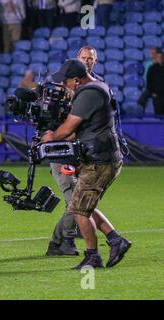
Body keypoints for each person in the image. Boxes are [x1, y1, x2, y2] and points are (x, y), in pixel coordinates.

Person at [42, 59, 132, 269]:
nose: (64, 85)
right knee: (83, 205)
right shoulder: (98, 87)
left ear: (76, 79)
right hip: (102, 158)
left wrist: (50, 137)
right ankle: (116, 240)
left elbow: (68, 128)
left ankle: (93, 256)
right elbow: (79, 129)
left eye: (66, 81)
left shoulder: (89, 93)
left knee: (80, 210)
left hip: (100, 161)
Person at [146, 51, 164, 116]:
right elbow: (149, 82)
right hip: (157, 97)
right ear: (156, 58)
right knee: (158, 115)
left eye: (161, 57)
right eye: (158, 57)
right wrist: (152, 93)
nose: (160, 58)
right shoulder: (152, 68)